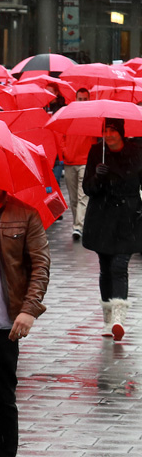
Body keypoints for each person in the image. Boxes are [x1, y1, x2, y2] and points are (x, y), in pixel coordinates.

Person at [0, 183, 51, 457]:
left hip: (4, 327)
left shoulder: (24, 214)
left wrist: (29, 309)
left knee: (2, 400)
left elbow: (40, 264)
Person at [82, 117, 142, 340]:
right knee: (105, 267)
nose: (108, 135)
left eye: (112, 130)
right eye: (105, 130)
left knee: (119, 265)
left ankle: (118, 319)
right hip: (102, 218)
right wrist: (97, 176)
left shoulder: (137, 151)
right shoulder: (97, 152)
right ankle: (107, 321)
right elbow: (87, 188)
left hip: (129, 218)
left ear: (121, 132)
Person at [63, 88, 94, 240]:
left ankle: (78, 226)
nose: (82, 102)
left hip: (85, 162)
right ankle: (79, 224)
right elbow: (60, 134)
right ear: (75, 99)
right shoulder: (68, 115)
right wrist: (64, 150)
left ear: (89, 99)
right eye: (80, 99)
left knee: (82, 197)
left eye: (85, 99)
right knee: (74, 198)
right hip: (69, 161)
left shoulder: (93, 117)